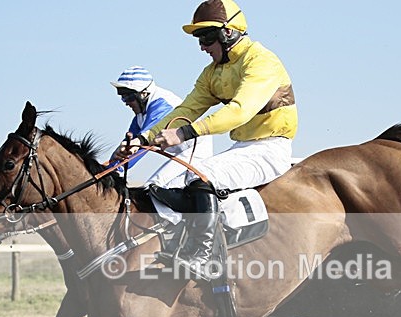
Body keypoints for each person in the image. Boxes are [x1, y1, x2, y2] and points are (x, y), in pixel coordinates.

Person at [115, 0, 297, 267]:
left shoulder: (261, 61)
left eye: (206, 37)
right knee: (166, 187)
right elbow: (187, 108)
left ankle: (202, 254)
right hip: (243, 148)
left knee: (200, 175)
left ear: (228, 33)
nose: (202, 46)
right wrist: (142, 141)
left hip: (271, 148)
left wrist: (186, 133)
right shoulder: (212, 73)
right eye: (199, 38)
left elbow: (239, 111)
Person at [109, 66, 212, 188]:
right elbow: (127, 145)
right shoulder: (141, 115)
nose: (125, 101)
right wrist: (109, 168)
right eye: (122, 96)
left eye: (128, 97)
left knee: (154, 186)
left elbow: (142, 146)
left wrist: (113, 172)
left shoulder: (161, 106)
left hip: (194, 151)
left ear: (143, 93)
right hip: (181, 152)